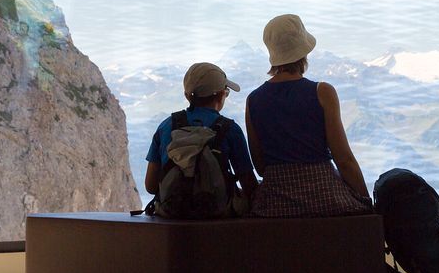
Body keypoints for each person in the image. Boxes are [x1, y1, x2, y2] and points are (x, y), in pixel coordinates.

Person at [245, 14, 372, 217]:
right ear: (304, 52)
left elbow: (260, 166)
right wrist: (367, 203)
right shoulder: (323, 92)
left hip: (275, 202)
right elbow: (344, 159)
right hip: (325, 195)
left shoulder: (254, 100)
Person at [144, 62, 258, 203]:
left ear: (187, 96)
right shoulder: (231, 130)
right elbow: (249, 184)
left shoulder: (166, 127)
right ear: (221, 95)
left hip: (173, 217)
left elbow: (150, 186)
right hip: (217, 218)